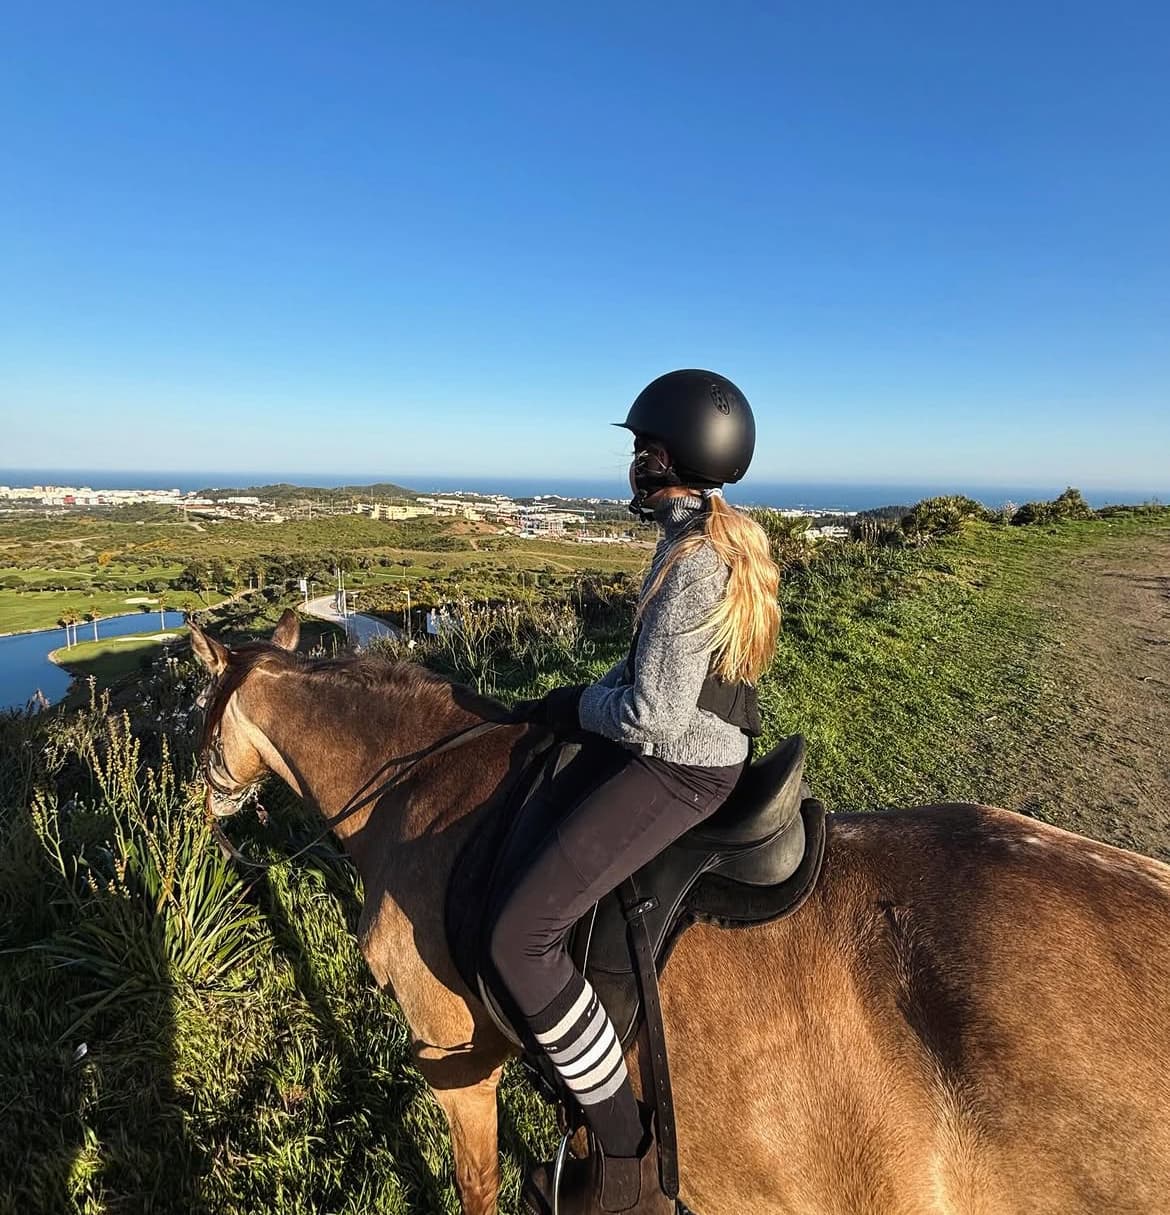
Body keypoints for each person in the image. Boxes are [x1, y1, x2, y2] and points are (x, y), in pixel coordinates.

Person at [492, 369, 782, 1215]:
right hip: (695, 744)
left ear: (674, 455)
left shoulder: (695, 561)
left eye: (640, 448)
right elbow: (649, 671)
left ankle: (623, 1149)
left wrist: (572, 704)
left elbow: (654, 716)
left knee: (519, 935)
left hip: (682, 766)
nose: (632, 462)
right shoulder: (704, 534)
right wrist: (579, 704)